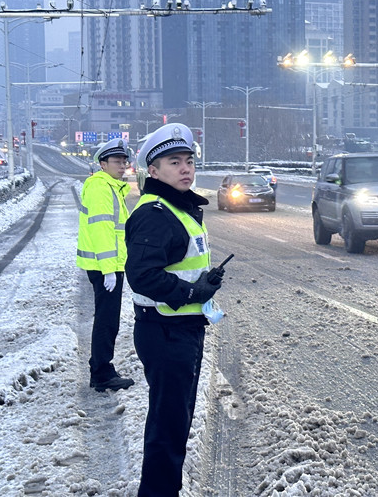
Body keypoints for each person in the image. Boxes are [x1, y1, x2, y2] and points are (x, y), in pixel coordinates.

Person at [125, 123, 224, 497]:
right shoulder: (155, 213)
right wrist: (190, 291)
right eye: (173, 162)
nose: (185, 169)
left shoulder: (176, 208)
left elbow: (176, 262)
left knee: (175, 424)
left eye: (188, 161)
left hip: (180, 329)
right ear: (153, 171)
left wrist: (203, 286)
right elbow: (142, 275)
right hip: (166, 332)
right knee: (168, 430)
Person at [76, 138, 135, 392]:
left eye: (124, 161)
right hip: (105, 268)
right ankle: (101, 373)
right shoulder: (101, 187)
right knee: (107, 320)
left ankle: (100, 367)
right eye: (116, 162)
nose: (122, 166)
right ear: (103, 163)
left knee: (106, 318)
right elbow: (102, 230)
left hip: (109, 265)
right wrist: (109, 268)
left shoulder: (111, 187)